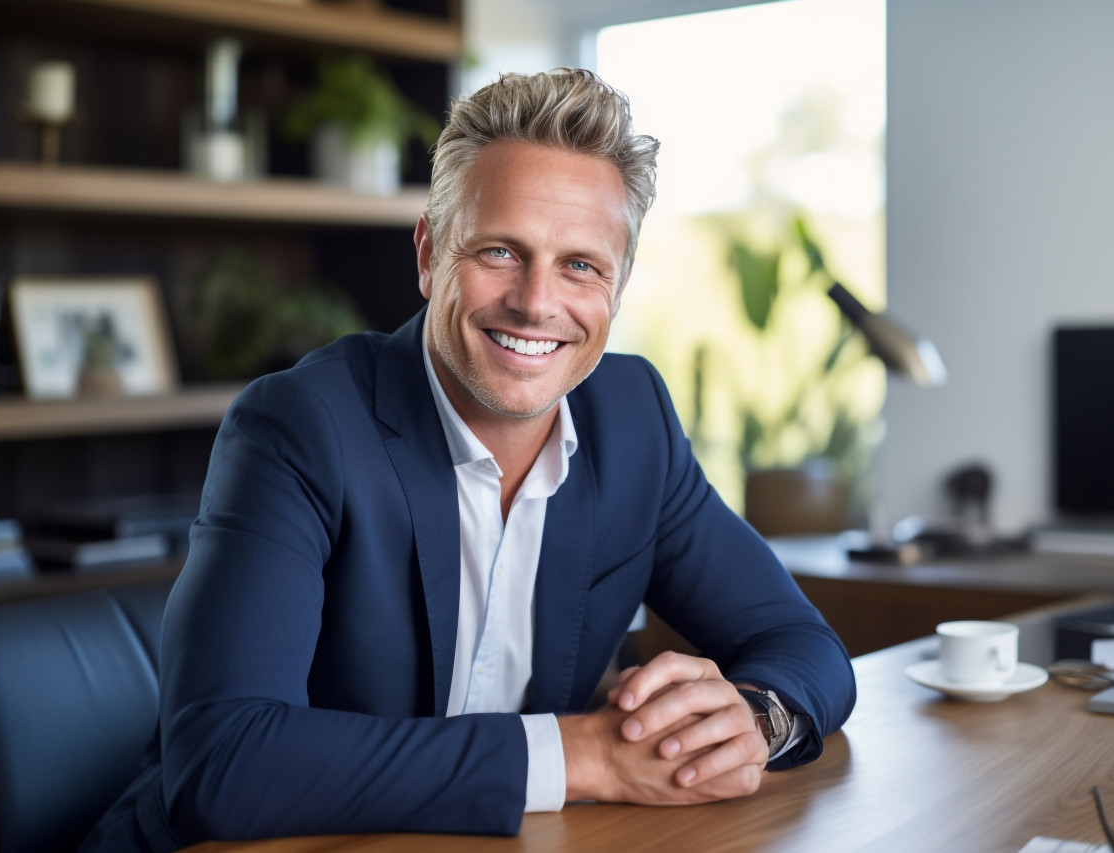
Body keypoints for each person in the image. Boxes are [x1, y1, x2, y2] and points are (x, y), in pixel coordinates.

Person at [83, 68, 855, 851]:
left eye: (581, 264)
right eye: (499, 251)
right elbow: (225, 763)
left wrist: (758, 720)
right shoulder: (300, 426)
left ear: (618, 287)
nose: (536, 302)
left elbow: (807, 648)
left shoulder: (635, 421)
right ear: (428, 254)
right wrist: (583, 754)